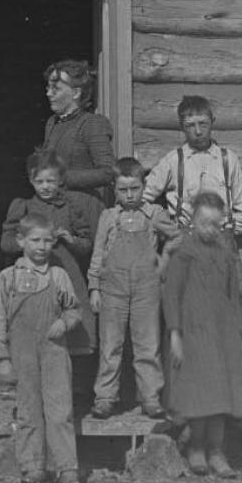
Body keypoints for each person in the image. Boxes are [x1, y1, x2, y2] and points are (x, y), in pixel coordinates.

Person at [161, 192, 242, 479]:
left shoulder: (225, 254)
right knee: (198, 395)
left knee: (220, 395)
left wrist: (237, 332)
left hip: (222, 335)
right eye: (204, 223)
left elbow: (232, 295)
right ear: (192, 221)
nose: (209, 229)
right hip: (193, 334)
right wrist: (176, 335)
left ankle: (217, 451)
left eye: (215, 225)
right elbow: (171, 296)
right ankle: (196, 448)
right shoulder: (183, 253)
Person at [0, 216, 86, 483]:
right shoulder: (8, 277)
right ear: (20, 241)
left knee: (59, 409)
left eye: (47, 241)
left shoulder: (59, 276)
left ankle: (66, 469)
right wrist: (2, 358)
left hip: (54, 351)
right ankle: (33, 466)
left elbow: (74, 309)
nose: (42, 246)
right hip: (22, 353)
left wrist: (64, 323)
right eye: (35, 240)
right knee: (29, 410)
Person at [87, 158, 179, 420]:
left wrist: (163, 262)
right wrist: (94, 287)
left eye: (135, 189)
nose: (129, 195)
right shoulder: (108, 217)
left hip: (146, 290)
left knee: (147, 346)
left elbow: (177, 237)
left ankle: (150, 398)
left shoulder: (154, 214)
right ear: (114, 190)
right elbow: (97, 255)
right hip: (112, 290)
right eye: (123, 190)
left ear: (144, 186)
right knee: (110, 346)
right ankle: (105, 398)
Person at [0, 148, 99, 356]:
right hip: (33, 275)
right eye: (40, 182)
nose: (45, 187)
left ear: (60, 180)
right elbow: (6, 243)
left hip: (67, 272)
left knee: (69, 326)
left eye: (51, 181)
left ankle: (72, 381)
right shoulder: (23, 207)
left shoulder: (70, 206)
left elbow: (86, 244)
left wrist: (72, 240)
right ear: (31, 180)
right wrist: (29, 242)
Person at [143, 95, 242, 239]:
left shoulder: (228, 159)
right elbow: (142, 196)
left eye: (203, 124)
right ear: (181, 127)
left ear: (212, 122)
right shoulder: (173, 160)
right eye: (190, 125)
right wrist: (165, 226)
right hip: (185, 238)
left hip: (221, 238)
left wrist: (231, 231)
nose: (198, 131)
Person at [41, 59, 117, 206]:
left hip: (82, 209)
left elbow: (108, 172)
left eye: (56, 89)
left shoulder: (92, 123)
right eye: (48, 88)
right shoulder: (52, 123)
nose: (49, 94)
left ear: (76, 93)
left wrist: (62, 178)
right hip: (55, 209)